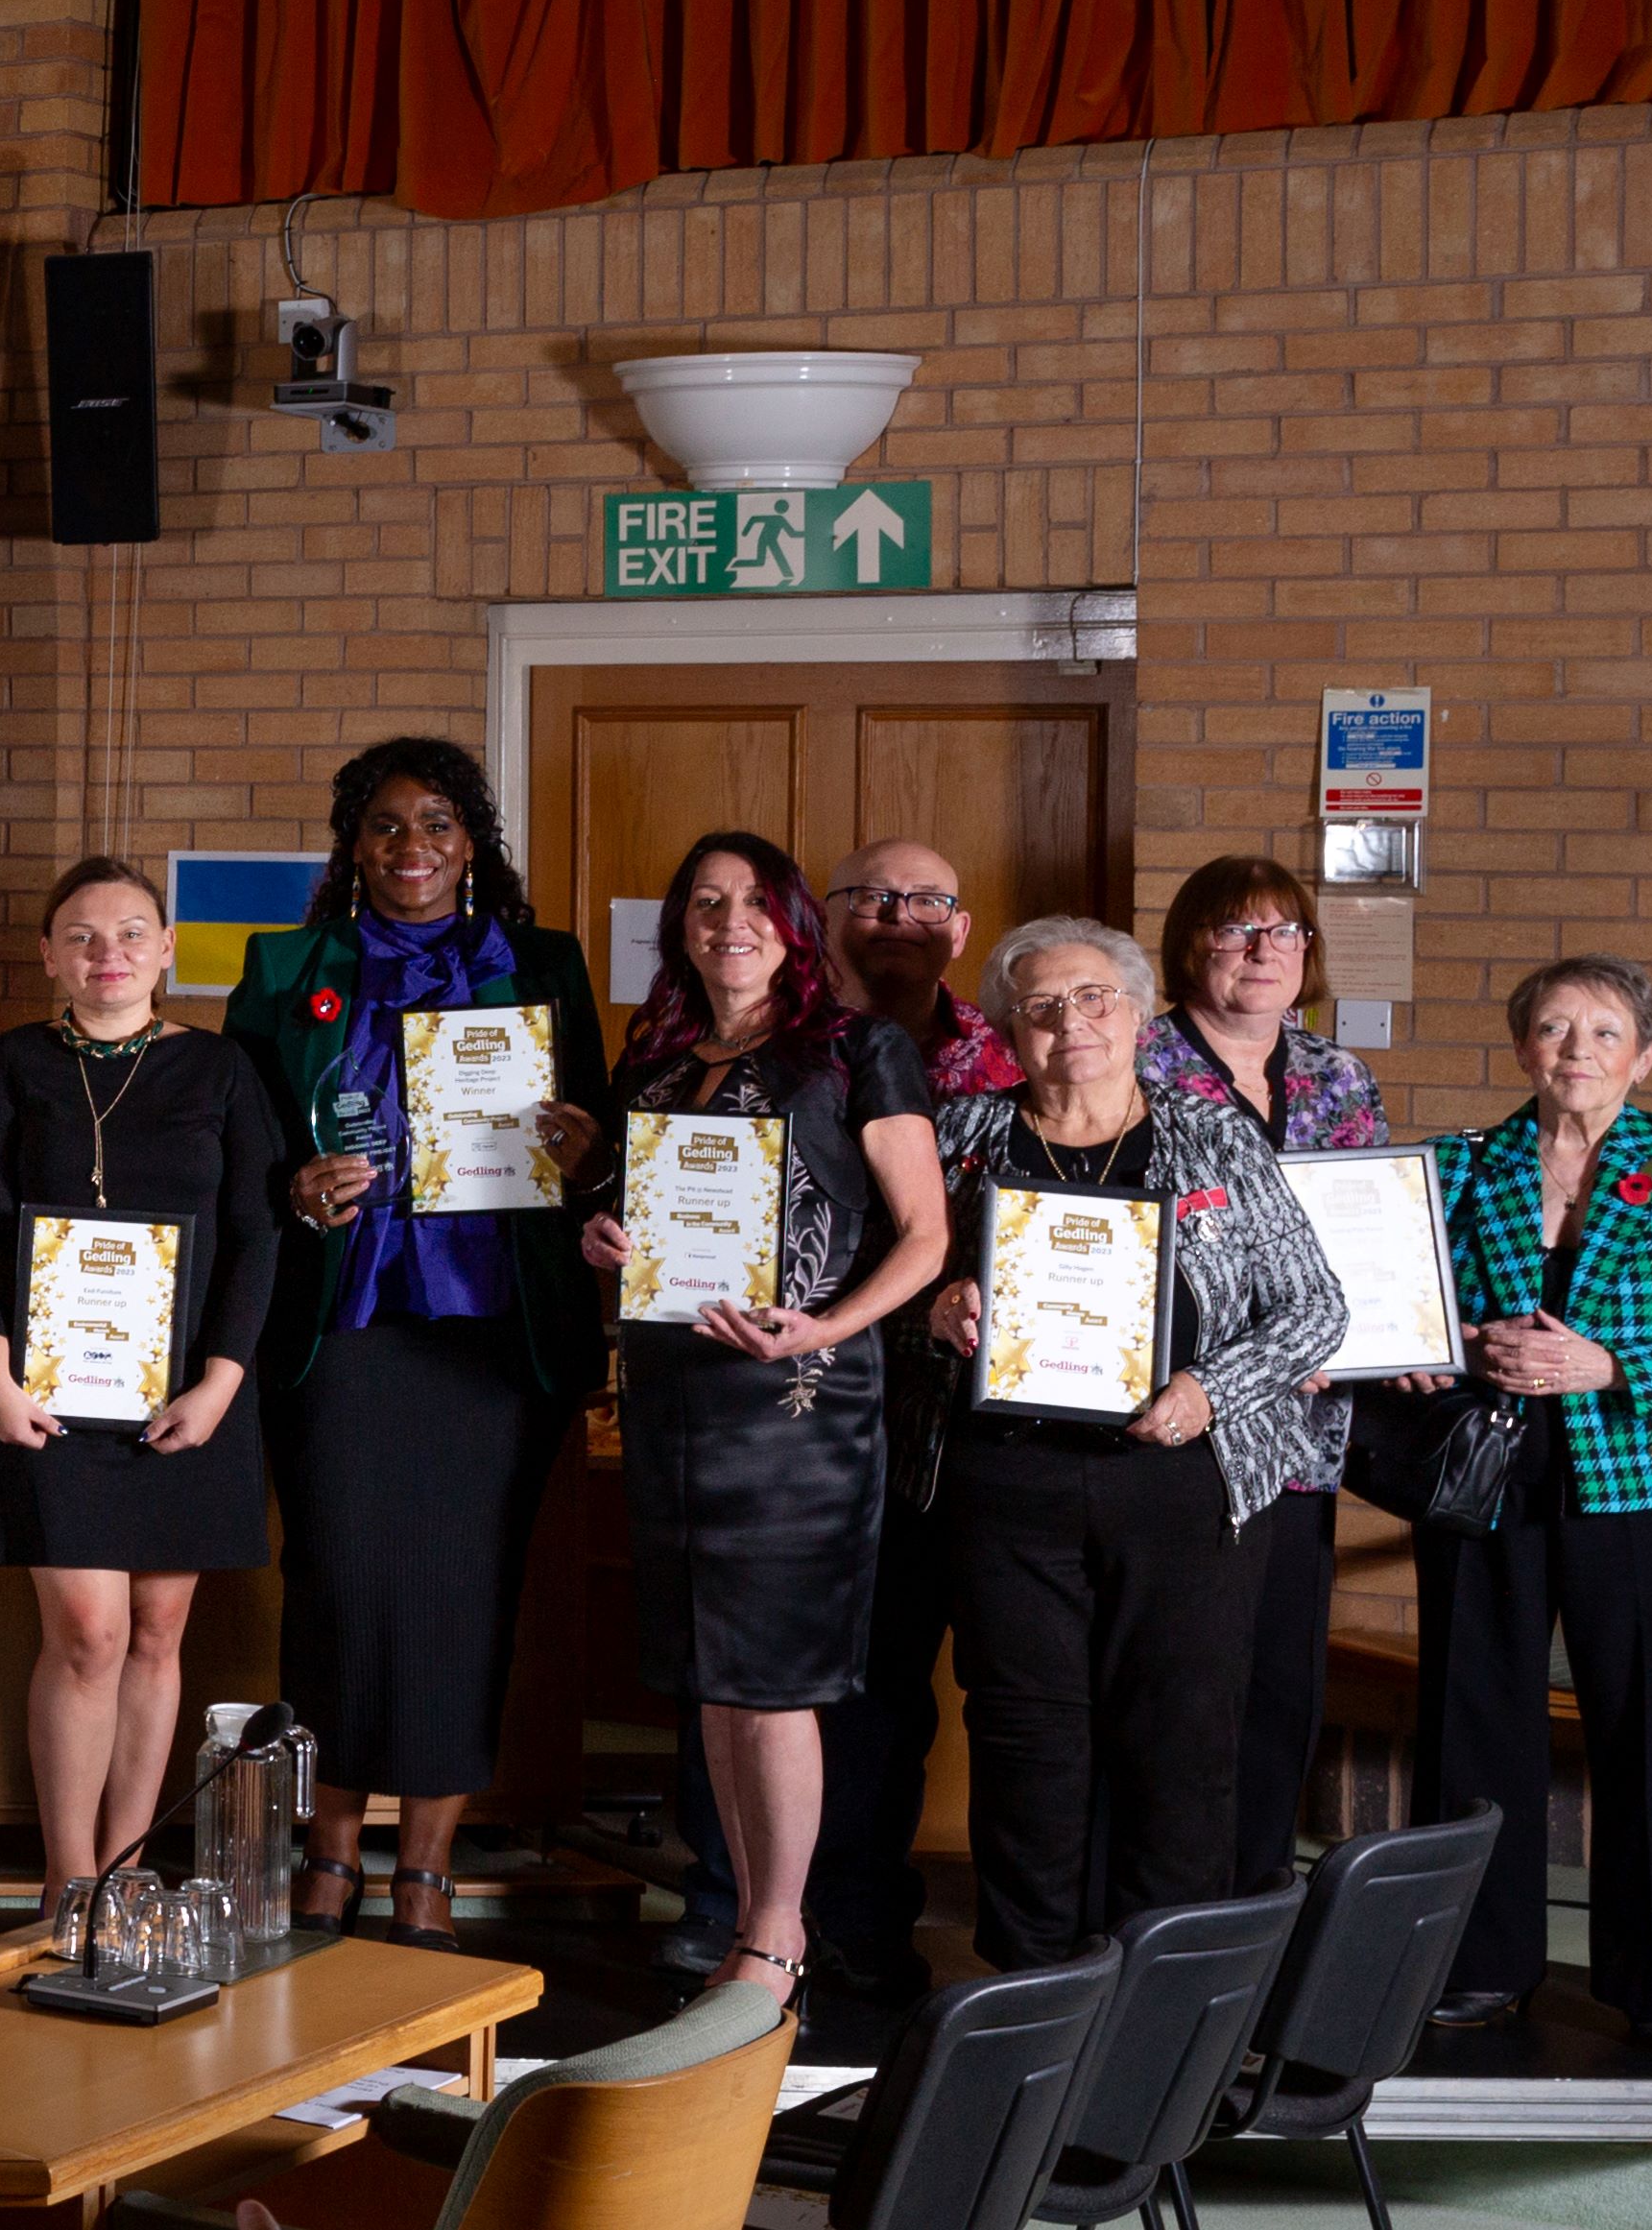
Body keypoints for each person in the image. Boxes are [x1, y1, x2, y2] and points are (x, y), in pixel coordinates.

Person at [222, 737, 606, 1949]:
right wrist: (291, 1184)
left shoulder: (540, 964)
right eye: (384, 826)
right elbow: (240, 1147)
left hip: (493, 1336)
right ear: (351, 845)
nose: (410, 849)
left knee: (465, 1594)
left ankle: (424, 1871)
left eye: (435, 824)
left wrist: (581, 1139)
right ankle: (328, 1857)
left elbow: (598, 1143)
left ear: (471, 843)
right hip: (343, 1327)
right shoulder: (285, 967)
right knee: (336, 1583)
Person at [918, 920, 1343, 1973]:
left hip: (1181, 1487)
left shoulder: (1213, 1138)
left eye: (1095, 996)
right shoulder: (958, 1134)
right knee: (1025, 1748)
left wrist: (1209, 1387)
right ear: (1011, 1029)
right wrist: (931, 1310)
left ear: (1137, 1011)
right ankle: (1027, 1990)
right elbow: (863, 1287)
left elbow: (1314, 1308)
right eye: (1043, 1004)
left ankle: (1163, 2008)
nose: (1073, 1021)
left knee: (1180, 1744)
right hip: (1006, 1487)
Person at [573, 834, 952, 2000]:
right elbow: (640, 1236)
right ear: (679, 926)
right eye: (702, 901)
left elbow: (926, 1236)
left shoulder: (856, 1049)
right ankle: (748, 1916)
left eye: (748, 901)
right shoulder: (656, 1062)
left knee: (774, 1680)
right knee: (714, 1685)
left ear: (790, 920)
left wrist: (825, 1329)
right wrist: (604, 1247)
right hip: (674, 1408)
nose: (724, 920)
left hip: (796, 1408)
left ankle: (777, 1935)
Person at [1415, 956, 1652, 2053]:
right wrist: (1434, 1354)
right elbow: (1399, 1307)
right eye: (1550, 1026)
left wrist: (1607, 1364)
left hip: (1650, 1480)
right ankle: (1477, 1964)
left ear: (1643, 1055)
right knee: (1472, 1719)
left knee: (1641, 1728)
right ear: (1520, 1046)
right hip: (1488, 1470)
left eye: (1600, 1029)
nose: (1574, 1047)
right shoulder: (1458, 1164)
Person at [0, 860, 279, 1919]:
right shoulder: (11, 1066)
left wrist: (220, 1382)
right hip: (46, 1389)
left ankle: (127, 1866)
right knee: (85, 1630)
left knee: (158, 1632)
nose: (107, 952)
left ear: (165, 949)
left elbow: (258, 1238)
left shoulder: (222, 1070)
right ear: (48, 955)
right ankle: (66, 1874)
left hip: (186, 1397)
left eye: (130, 932)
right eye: (81, 935)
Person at [776, 833, 1013, 1990]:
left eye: (926, 896)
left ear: (959, 928)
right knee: (859, 1688)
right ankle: (846, 1926)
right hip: (833, 1419)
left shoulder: (1017, 1058)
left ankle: (1020, 1943)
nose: (897, 913)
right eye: (871, 893)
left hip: (1000, 1431)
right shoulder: (786, 1050)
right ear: (828, 916)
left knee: (1006, 1686)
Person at [1146, 853, 1385, 1897]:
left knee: (1279, 1677)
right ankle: (1166, 1906)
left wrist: (1389, 1331)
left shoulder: (1336, 1074)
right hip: (1180, 1426)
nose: (1259, 951)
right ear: (1188, 945)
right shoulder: (1137, 1064)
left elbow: (1368, 1237)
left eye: (1282, 931)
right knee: (1179, 1682)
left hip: (1304, 1432)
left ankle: (1251, 1898)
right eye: (1234, 930)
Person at [828, 840, 1024, 1099]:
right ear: (821, 921)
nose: (900, 915)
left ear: (958, 934)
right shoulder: (771, 1037)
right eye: (874, 897)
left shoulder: (1011, 1049)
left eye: (929, 902)